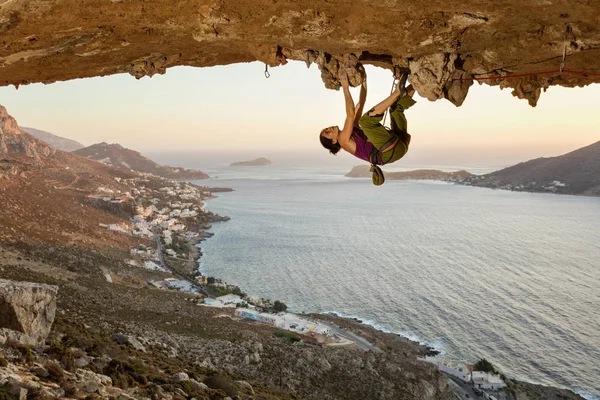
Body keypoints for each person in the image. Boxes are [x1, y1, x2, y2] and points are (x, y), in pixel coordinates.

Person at [319, 71, 416, 185]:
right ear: (334, 141)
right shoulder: (343, 141)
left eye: (326, 129)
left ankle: (417, 80)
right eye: (327, 132)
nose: (329, 128)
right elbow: (350, 114)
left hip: (399, 145)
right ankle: (397, 92)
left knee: (396, 109)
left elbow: (361, 102)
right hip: (389, 151)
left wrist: (364, 81)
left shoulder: (352, 128)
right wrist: (345, 87)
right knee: (365, 122)